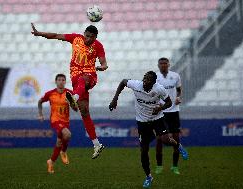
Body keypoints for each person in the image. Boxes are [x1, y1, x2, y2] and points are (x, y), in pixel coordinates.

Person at [31, 23, 108, 159]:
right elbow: (55, 35)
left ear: (95, 37)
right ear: (84, 33)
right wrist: (39, 33)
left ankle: (74, 98)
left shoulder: (98, 46)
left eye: (91, 37)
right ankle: (96, 144)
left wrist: (103, 67)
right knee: (84, 112)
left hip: (89, 77)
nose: (87, 39)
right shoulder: (76, 38)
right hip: (76, 80)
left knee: (83, 79)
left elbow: (103, 62)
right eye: (86, 35)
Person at [109, 71, 188, 188]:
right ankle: (148, 177)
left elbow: (169, 102)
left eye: (148, 80)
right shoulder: (136, 85)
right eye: (144, 79)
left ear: (154, 82)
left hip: (157, 119)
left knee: (166, 140)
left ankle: (178, 145)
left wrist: (160, 107)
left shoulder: (159, 89)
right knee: (144, 151)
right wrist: (115, 99)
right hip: (143, 122)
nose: (145, 81)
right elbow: (123, 82)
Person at [38, 74, 77, 174]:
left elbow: (75, 108)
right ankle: (63, 151)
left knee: (59, 142)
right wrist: (40, 114)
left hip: (65, 121)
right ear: (56, 81)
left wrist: (73, 104)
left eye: (63, 80)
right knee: (67, 134)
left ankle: (50, 162)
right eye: (59, 80)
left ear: (65, 82)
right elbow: (40, 101)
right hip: (55, 121)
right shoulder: (50, 94)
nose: (61, 81)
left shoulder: (69, 93)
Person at [155, 57, 184, 175]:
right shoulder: (155, 77)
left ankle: (175, 166)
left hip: (174, 111)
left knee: (176, 138)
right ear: (158, 65)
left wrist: (178, 97)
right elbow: (152, 92)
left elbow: (179, 89)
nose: (163, 65)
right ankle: (159, 166)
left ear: (168, 64)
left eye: (165, 63)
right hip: (161, 112)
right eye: (161, 63)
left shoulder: (176, 76)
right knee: (159, 140)